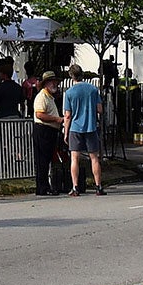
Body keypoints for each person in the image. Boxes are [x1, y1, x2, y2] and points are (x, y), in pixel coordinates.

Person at [64, 65, 106, 196]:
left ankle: (75, 187)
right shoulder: (93, 90)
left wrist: (66, 133)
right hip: (90, 126)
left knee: (74, 158)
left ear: (71, 77)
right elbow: (100, 109)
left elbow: (67, 115)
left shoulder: (69, 93)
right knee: (94, 158)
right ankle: (98, 186)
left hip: (75, 128)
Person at [32, 71, 66, 195]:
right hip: (43, 130)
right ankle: (42, 187)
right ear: (45, 83)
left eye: (55, 81)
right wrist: (57, 119)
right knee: (42, 160)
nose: (55, 84)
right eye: (52, 81)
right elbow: (39, 114)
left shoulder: (49, 97)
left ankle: (46, 186)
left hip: (49, 130)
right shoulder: (42, 96)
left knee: (46, 160)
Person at [0, 57, 26, 125]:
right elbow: (22, 104)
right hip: (15, 117)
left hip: (2, 117)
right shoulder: (18, 87)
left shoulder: (0, 88)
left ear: (4, 74)